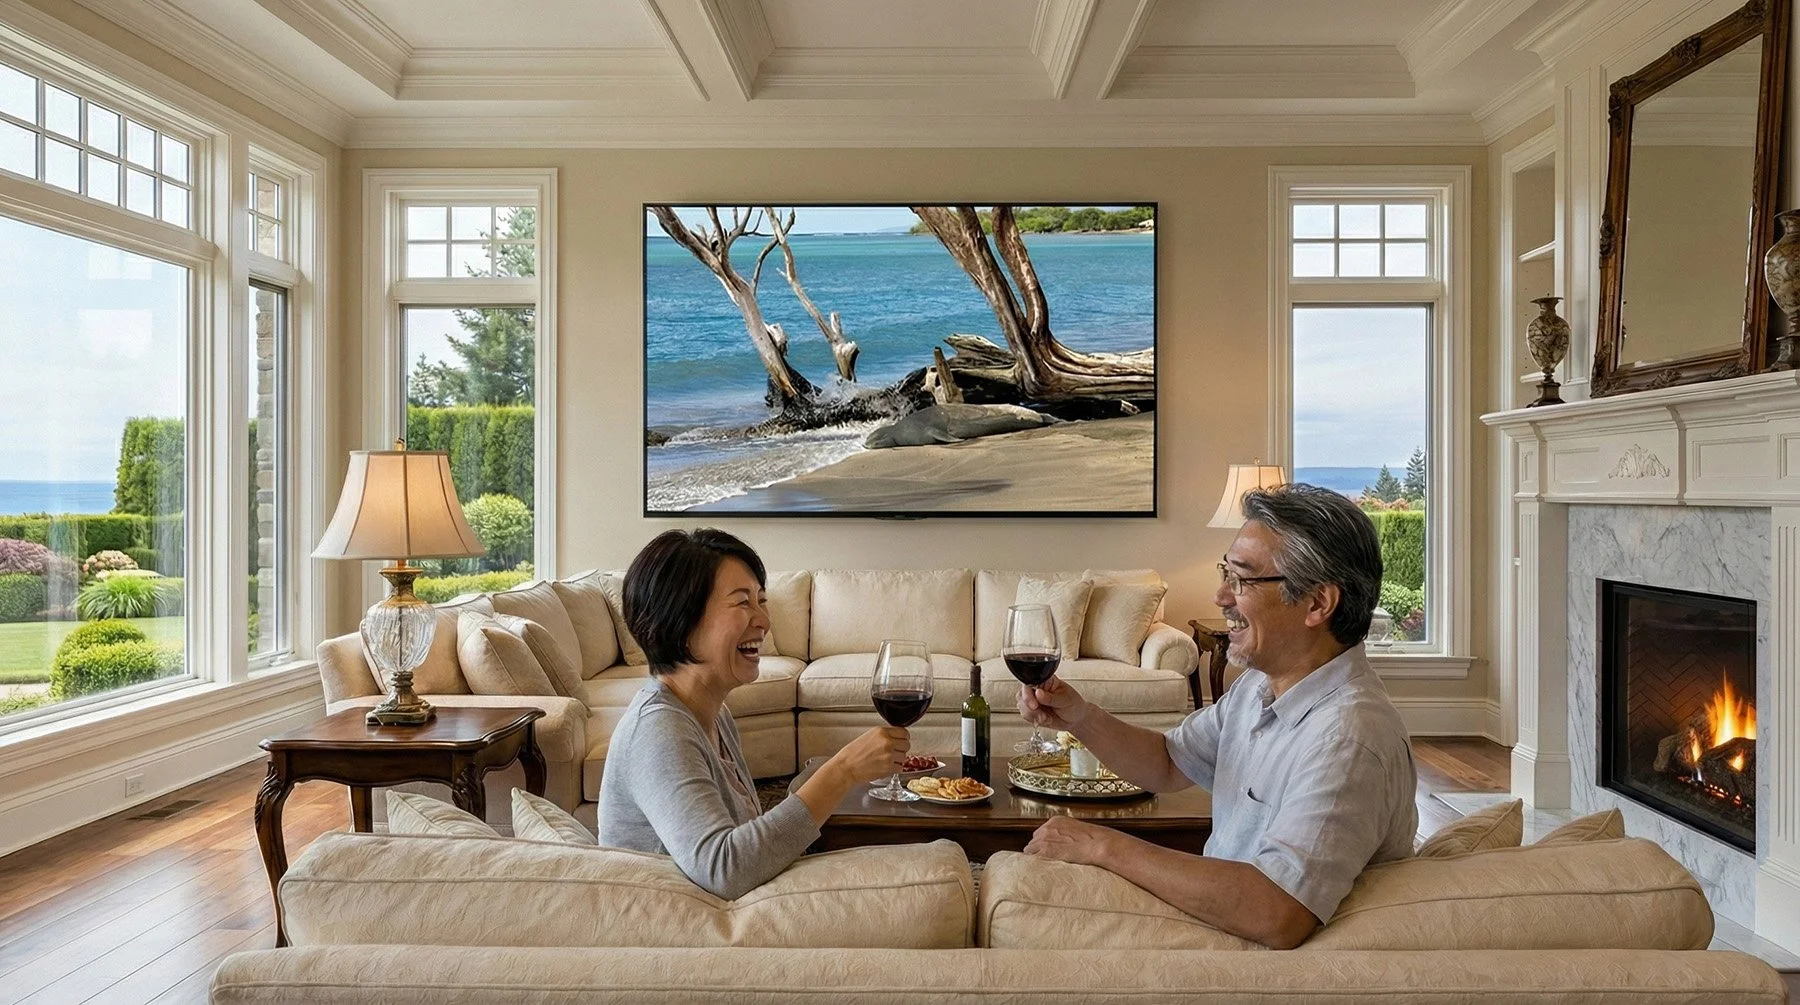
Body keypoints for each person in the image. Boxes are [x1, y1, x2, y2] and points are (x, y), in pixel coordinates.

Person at [1017, 483, 1416, 948]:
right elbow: (1168, 763)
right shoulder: (1259, 687)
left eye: (1242, 579)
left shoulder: (1347, 739)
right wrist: (1079, 717)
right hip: (1216, 929)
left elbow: (1277, 912)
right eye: (1226, 573)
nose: (1221, 596)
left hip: (1253, 962)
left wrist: (1102, 845)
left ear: (1317, 603)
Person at [598, 528, 909, 899]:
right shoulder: (658, 730)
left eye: (762, 602)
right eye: (743, 603)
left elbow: (746, 835)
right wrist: (841, 772)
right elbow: (725, 868)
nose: (763, 620)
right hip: (676, 934)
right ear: (681, 622)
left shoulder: (713, 715)